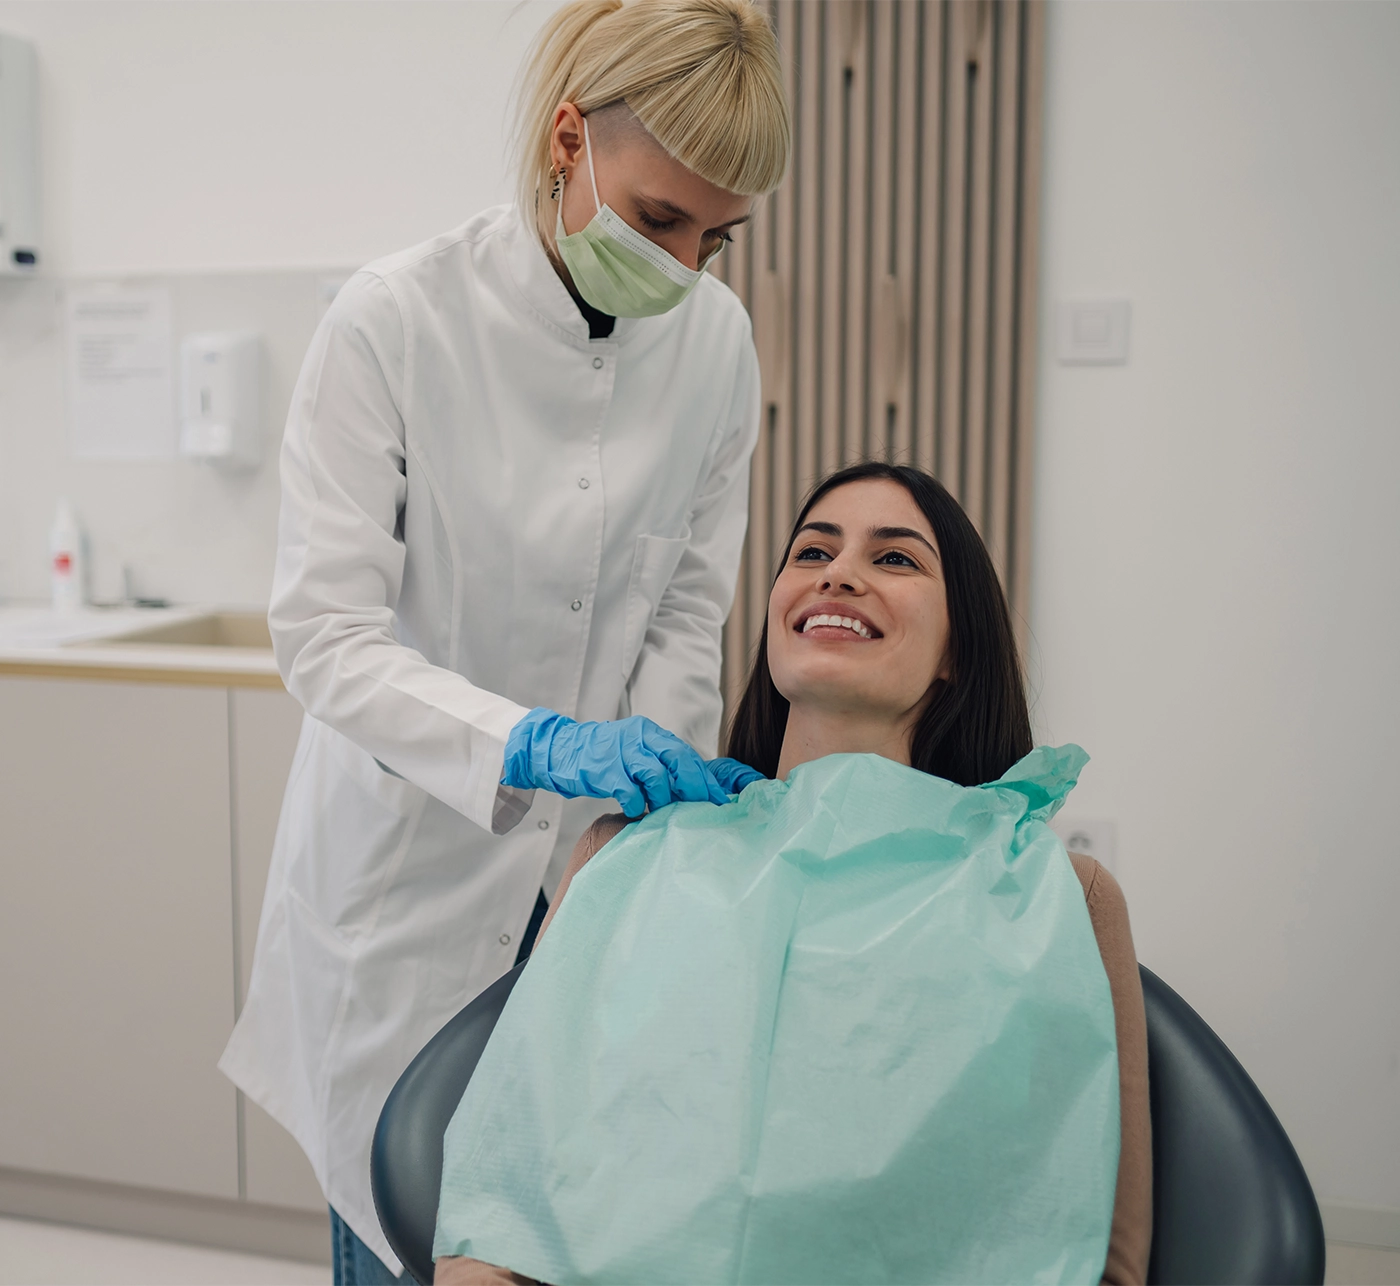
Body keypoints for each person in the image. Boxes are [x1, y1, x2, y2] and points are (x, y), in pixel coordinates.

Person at [217, 2, 791, 1280]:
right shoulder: (393, 321)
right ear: (567, 136)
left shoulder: (713, 346)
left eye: (719, 237)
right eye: (658, 221)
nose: (689, 268)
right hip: (404, 886)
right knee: (402, 1228)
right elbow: (323, 635)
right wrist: (528, 742)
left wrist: (635, 805)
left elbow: (687, 607)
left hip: (579, 886)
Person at [433, 463, 1153, 1286]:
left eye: (896, 559)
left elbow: (1105, 1260)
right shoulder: (624, 857)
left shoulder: (1059, 898)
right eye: (812, 552)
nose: (838, 572)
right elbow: (499, 1211)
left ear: (958, 648)